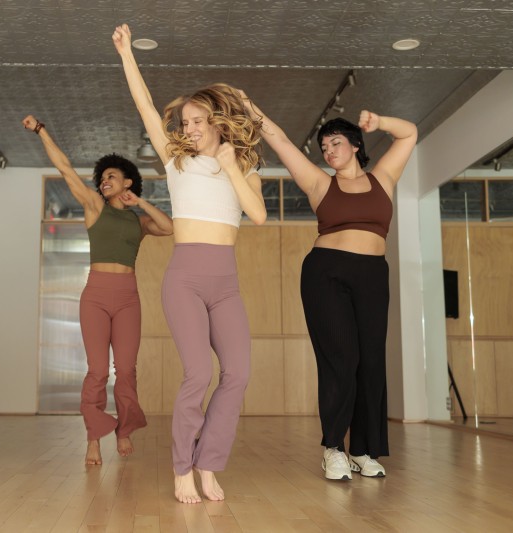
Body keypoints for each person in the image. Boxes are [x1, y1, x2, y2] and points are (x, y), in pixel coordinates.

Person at [113, 24, 267, 504]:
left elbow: (258, 216)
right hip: (185, 277)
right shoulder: (175, 161)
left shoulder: (246, 169)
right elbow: (143, 105)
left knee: (237, 373)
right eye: (185, 122)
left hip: (225, 281)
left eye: (199, 120)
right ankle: (182, 466)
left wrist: (228, 161)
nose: (190, 128)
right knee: (198, 372)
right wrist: (126, 55)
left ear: (218, 122)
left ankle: (208, 463)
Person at [240, 93, 417, 480]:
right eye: (324, 146)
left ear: (356, 145)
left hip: (372, 275)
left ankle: (365, 451)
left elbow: (409, 134)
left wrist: (380, 120)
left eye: (336, 142)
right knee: (341, 361)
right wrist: (253, 109)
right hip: (327, 274)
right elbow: (283, 142)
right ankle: (333, 448)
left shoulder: (383, 178)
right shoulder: (319, 183)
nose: (329, 150)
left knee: (370, 362)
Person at [21, 114, 173, 465]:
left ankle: (124, 429)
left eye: (111, 176)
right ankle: (93, 436)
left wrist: (142, 203)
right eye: (102, 178)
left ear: (128, 182)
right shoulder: (94, 208)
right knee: (98, 371)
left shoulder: (138, 221)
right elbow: (65, 169)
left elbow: (167, 228)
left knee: (127, 369)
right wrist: (42, 130)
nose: (104, 181)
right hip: (96, 296)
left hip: (128, 298)